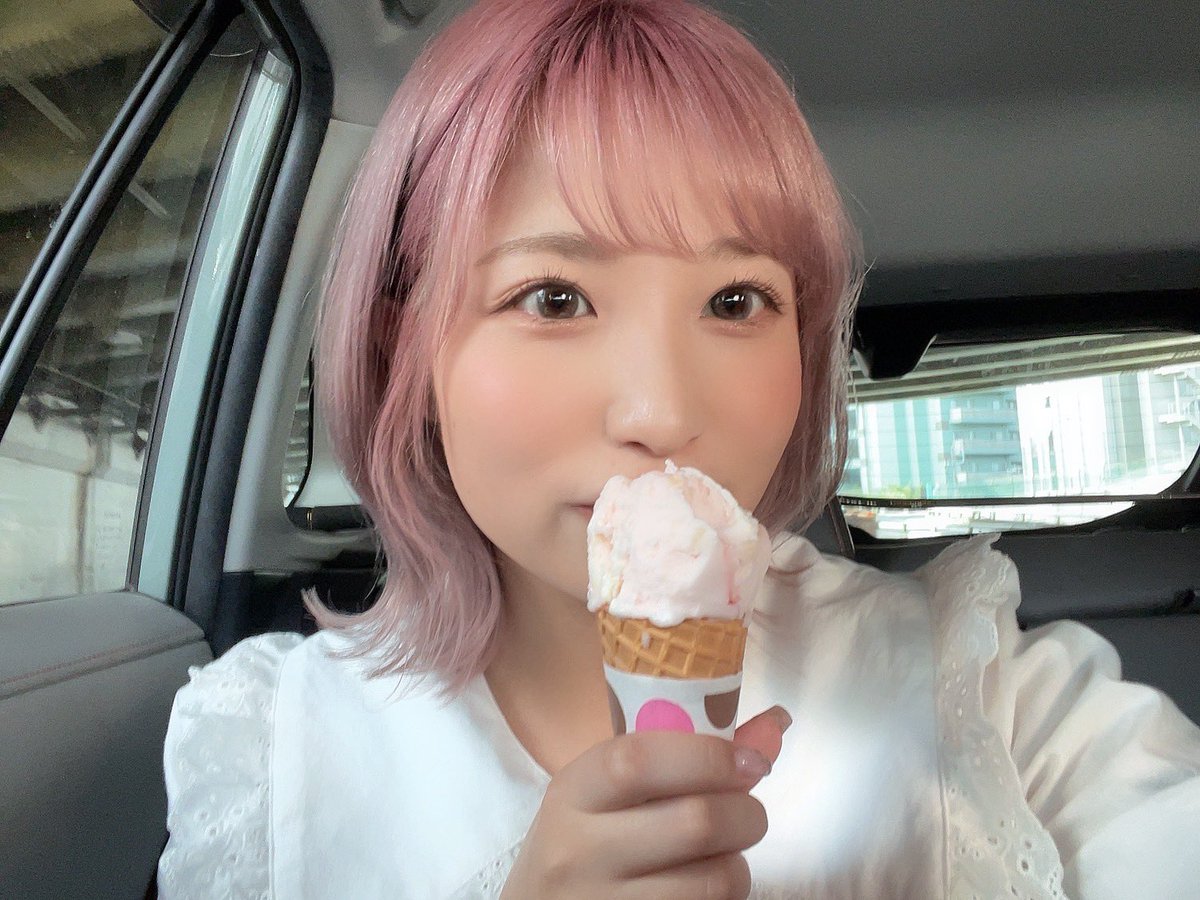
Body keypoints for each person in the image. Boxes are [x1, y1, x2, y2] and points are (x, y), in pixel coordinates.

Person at [156, 1, 1200, 897]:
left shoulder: (992, 700)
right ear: (405, 348)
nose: (660, 412)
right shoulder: (271, 751)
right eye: (553, 298)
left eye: (736, 300)